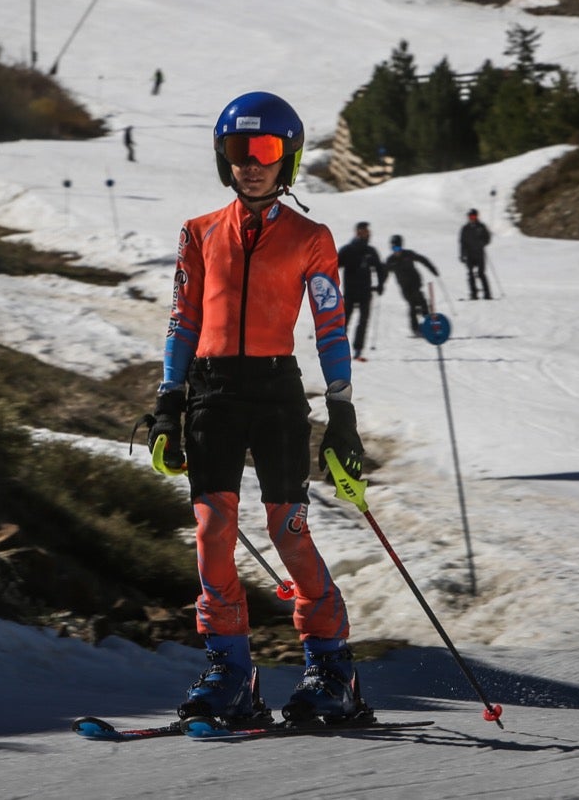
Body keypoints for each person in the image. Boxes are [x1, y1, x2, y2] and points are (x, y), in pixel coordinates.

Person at [146, 91, 370, 725]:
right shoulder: (198, 233)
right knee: (213, 532)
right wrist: (169, 400)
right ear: (225, 158)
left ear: (287, 159)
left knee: (286, 531)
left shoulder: (312, 239)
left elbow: (330, 329)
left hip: (276, 393)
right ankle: (232, 673)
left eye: (265, 150)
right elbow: (181, 322)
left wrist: (342, 413)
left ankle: (331, 669)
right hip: (212, 393)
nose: (250, 163)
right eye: (238, 151)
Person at [337, 222, 387, 361]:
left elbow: (380, 269)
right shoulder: (348, 250)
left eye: (368, 231)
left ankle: (358, 349)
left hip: (365, 292)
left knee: (363, 321)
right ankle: (339, 348)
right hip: (351, 292)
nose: (368, 233)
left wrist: (380, 284)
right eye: (365, 231)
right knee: (345, 321)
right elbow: (334, 265)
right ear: (358, 232)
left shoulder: (371, 251)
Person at [385, 235, 438, 337]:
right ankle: (415, 329)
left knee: (422, 302)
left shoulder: (408, 254)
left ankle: (428, 323)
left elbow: (423, 260)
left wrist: (433, 269)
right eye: (394, 248)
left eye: (398, 248)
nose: (396, 251)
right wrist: (380, 286)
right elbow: (384, 273)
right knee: (412, 304)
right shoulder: (391, 260)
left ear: (401, 246)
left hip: (415, 283)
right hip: (405, 287)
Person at [459, 208, 492, 300]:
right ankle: (473, 293)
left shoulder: (481, 227)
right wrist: (462, 255)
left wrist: (483, 243)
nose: (472, 218)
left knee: (481, 273)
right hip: (469, 255)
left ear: (477, 216)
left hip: (479, 254)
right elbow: (462, 242)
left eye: (473, 216)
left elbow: (488, 238)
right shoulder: (465, 228)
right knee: (470, 274)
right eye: (470, 216)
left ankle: (487, 293)